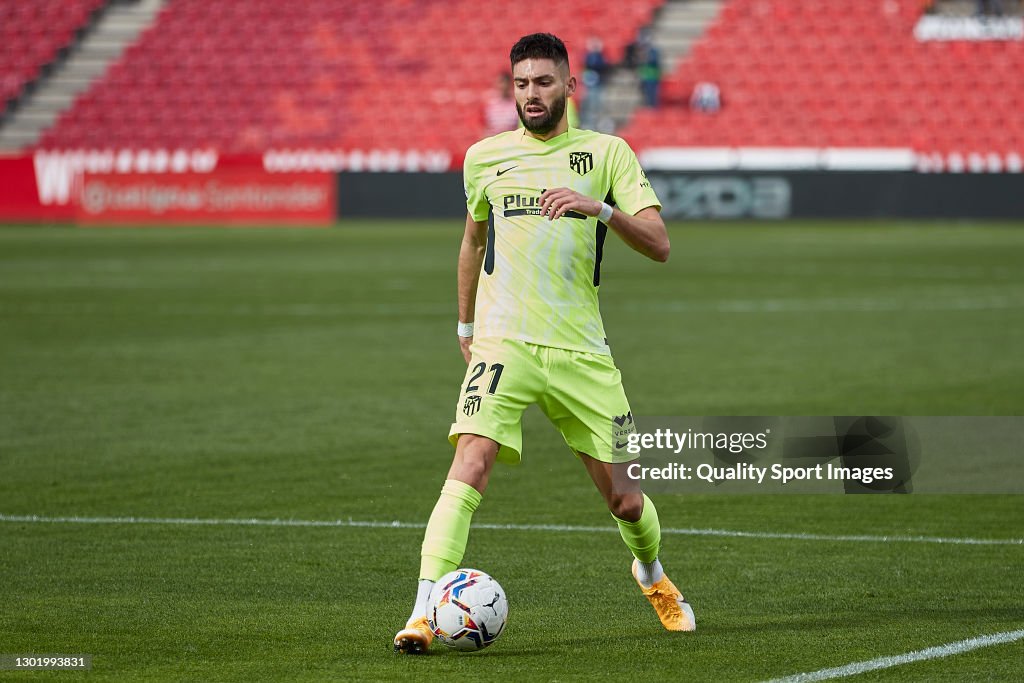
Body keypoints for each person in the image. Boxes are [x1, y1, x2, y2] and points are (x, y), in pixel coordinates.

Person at [393, 32, 693, 656]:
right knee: (469, 460)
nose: (532, 94)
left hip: (583, 352)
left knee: (626, 497)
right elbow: (473, 242)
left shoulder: (608, 154)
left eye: (544, 82)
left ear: (569, 87)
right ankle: (422, 611)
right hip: (506, 345)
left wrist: (598, 209)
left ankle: (652, 576)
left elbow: (660, 244)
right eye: (522, 83)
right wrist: (465, 328)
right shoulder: (485, 158)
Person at [581, 36, 609, 129]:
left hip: (598, 83)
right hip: (589, 83)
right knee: (588, 102)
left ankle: (596, 122)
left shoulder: (601, 56)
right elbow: (585, 64)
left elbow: (603, 65)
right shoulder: (587, 55)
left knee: (596, 103)